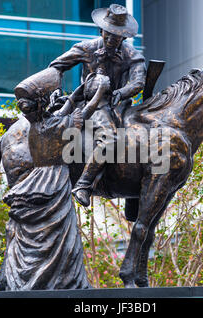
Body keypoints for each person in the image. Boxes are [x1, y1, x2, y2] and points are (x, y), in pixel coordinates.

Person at [0, 67, 108, 290]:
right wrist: (100, 92)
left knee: (35, 231)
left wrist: (77, 92)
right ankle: (62, 278)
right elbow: (85, 113)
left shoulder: (37, 123)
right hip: (54, 180)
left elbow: (65, 109)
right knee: (62, 230)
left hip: (36, 180)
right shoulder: (55, 126)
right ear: (44, 104)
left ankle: (22, 277)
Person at [49, 3, 146, 207]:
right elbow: (56, 66)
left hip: (120, 104)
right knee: (109, 138)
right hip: (94, 103)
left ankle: (134, 197)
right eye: (108, 34)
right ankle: (84, 184)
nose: (111, 39)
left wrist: (121, 92)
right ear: (101, 30)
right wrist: (54, 89)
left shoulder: (132, 55)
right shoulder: (87, 48)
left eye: (116, 36)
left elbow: (138, 82)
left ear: (124, 37)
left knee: (146, 141)